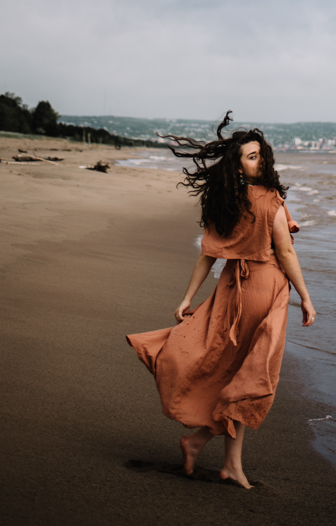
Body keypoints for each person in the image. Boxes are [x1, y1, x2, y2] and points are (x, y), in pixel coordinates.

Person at [126, 111, 316, 489]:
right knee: (247, 379)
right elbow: (287, 254)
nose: (258, 160)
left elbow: (207, 254)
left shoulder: (227, 202)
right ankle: (216, 454)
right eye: (251, 156)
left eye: (260, 154)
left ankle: (217, 455)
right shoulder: (270, 202)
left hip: (231, 291)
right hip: (263, 293)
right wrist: (306, 300)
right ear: (238, 164)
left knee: (233, 375)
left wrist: (187, 298)